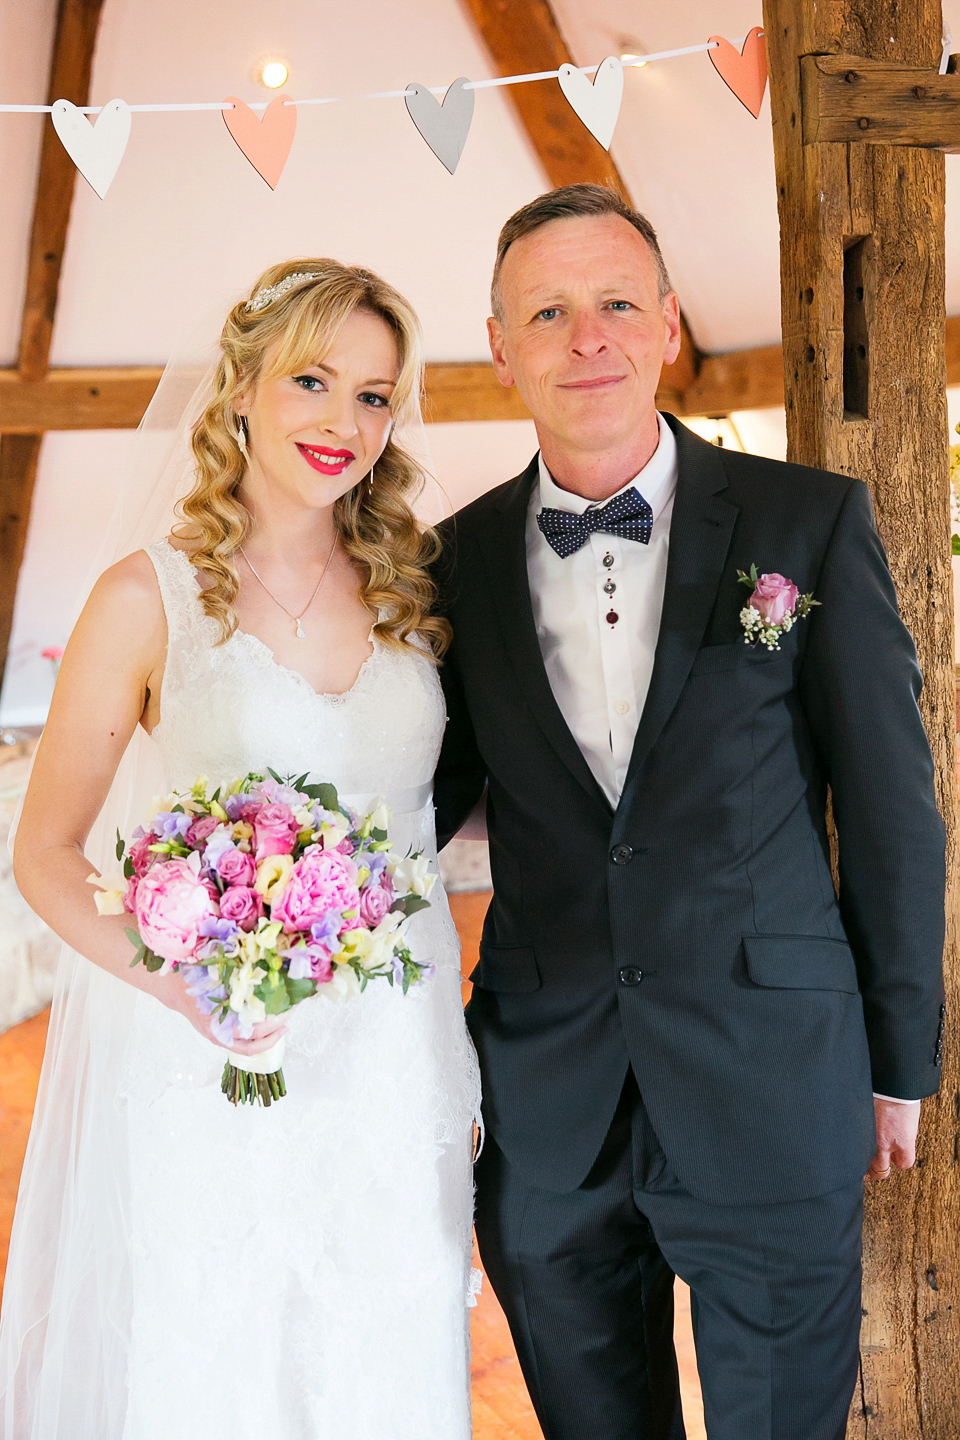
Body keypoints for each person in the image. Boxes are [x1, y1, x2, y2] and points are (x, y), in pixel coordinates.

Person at [434, 184, 946, 1440]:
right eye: (547, 312)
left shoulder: (803, 523)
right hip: (549, 1117)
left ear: (668, 325)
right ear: (500, 346)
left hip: (774, 1086)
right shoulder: (447, 566)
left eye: (616, 303)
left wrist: (898, 1063)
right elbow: (405, 805)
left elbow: (892, 810)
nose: (586, 338)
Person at [2, 260, 480, 1440]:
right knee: (218, 1358)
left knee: (389, 1341)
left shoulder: (415, 583)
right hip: (214, 1052)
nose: (344, 421)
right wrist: (183, 986)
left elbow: (445, 806)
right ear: (244, 388)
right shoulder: (146, 596)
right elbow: (47, 853)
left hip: (393, 1053)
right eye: (313, 380)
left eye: (375, 395)